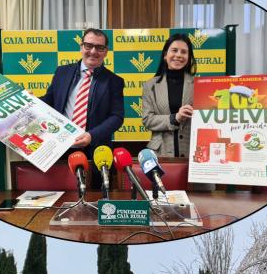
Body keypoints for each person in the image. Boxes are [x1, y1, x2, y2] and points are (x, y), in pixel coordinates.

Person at [40, 28, 125, 187]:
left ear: (106, 52)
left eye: (99, 47)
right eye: (88, 46)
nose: (93, 51)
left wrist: (91, 135)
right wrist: (30, 101)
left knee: (95, 201)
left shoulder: (114, 81)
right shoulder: (62, 72)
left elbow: (117, 117)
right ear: (81, 47)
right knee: (60, 197)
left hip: (95, 152)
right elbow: (49, 102)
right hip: (59, 149)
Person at [141, 34, 196, 158]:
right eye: (174, 50)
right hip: (160, 153)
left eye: (184, 52)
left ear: (189, 57)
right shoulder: (150, 86)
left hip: (192, 152)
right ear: (165, 55)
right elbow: (147, 120)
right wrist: (174, 118)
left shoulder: (199, 85)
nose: (179, 55)